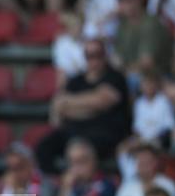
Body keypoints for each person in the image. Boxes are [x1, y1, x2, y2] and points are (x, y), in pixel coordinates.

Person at [36, 39, 130, 174]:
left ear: (105, 55)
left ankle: (86, 187)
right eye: (89, 55)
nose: (94, 60)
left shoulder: (115, 77)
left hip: (104, 134)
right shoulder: (76, 80)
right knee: (43, 147)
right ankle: (56, 181)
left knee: (80, 149)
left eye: (98, 54)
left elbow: (102, 101)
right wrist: (89, 104)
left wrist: (70, 104)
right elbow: (58, 107)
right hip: (73, 131)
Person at [48, 137, 117, 196]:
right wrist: (65, 189)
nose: (78, 167)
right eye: (73, 162)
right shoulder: (65, 186)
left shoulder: (107, 185)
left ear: (94, 161)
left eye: (82, 161)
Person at [113, 0, 174, 77]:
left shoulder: (150, 23)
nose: (128, 6)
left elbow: (147, 63)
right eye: (124, 2)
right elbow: (117, 58)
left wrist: (123, 71)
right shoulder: (123, 25)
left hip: (157, 77)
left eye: (130, 1)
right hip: (131, 74)